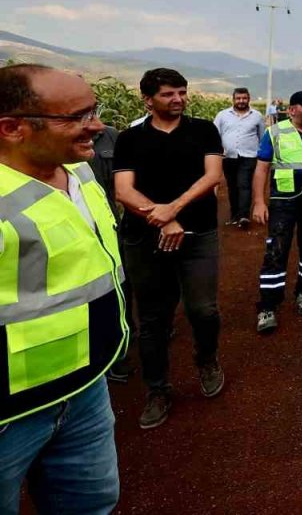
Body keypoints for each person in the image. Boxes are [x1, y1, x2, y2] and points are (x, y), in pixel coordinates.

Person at [0, 64, 127, 514]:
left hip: (85, 387)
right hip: (11, 415)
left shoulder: (80, 171)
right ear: (12, 128)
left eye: (93, 111)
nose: (96, 126)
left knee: (91, 504)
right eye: (75, 117)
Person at [113, 68, 225, 429]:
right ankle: (157, 389)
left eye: (182, 92)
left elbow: (211, 177)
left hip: (198, 234)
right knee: (153, 319)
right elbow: (123, 191)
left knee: (203, 310)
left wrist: (173, 209)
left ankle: (206, 359)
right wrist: (163, 220)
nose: (178, 99)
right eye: (168, 94)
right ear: (148, 99)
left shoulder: (204, 131)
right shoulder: (129, 139)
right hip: (144, 238)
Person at [252, 90, 302, 333]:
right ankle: (268, 306)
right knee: (276, 251)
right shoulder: (276, 132)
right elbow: (261, 169)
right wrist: (259, 202)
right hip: (283, 201)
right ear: (292, 110)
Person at [89, 123, 138, 384]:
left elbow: (124, 182)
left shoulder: (110, 136)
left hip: (108, 224)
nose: (95, 123)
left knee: (118, 282)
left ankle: (120, 348)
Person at [213, 87, 266, 230]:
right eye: (238, 98)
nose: (241, 101)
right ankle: (235, 215)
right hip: (228, 156)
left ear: (249, 99)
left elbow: (262, 136)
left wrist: (262, 155)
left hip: (249, 155)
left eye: (244, 98)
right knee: (232, 186)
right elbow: (215, 134)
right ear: (233, 99)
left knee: (244, 184)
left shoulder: (257, 116)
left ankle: (243, 216)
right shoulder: (223, 115)